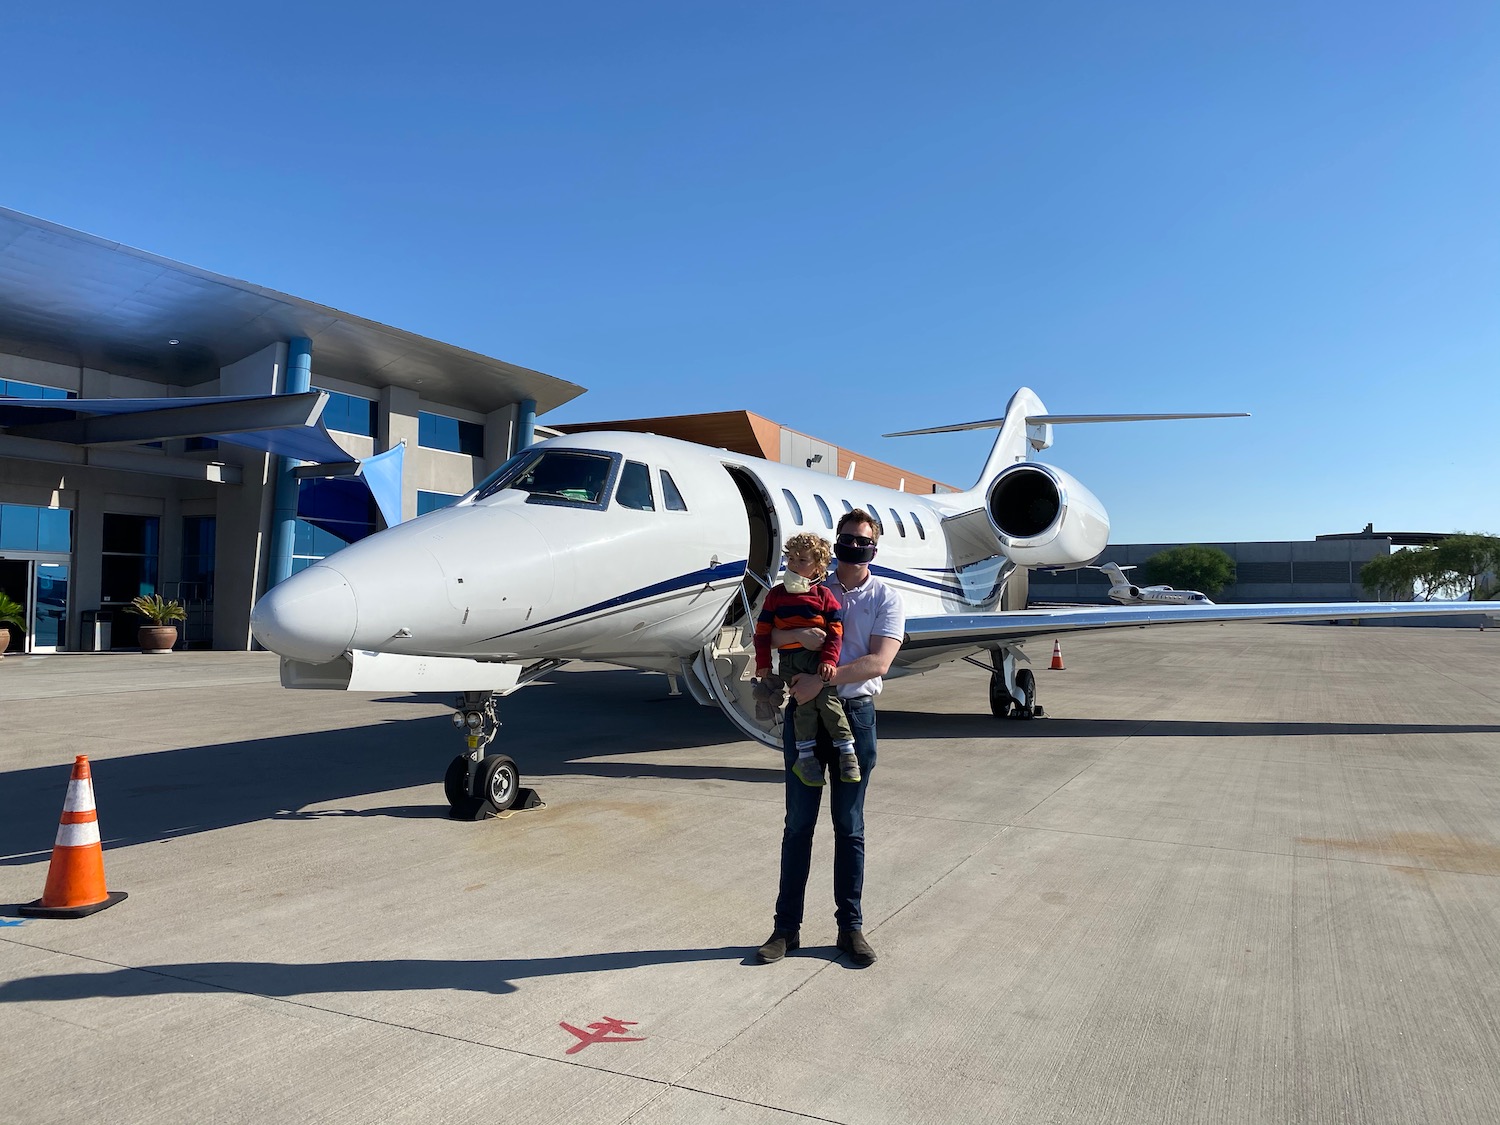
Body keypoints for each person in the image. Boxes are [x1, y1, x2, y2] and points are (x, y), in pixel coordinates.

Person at [756, 509, 904, 968]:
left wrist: (823, 678)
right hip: (804, 715)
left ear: (873, 548)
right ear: (834, 543)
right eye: (847, 538)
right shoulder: (808, 585)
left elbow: (879, 663)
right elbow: (768, 632)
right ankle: (786, 929)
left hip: (854, 717)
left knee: (849, 826)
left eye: (863, 541)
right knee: (798, 825)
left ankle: (850, 928)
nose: (854, 547)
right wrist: (800, 633)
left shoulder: (886, 597)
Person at [753, 533, 860, 787]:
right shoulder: (776, 595)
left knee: (827, 700)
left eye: (802, 560)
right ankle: (806, 758)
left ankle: (847, 751)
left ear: (818, 567)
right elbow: (763, 632)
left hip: (817, 660)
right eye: (790, 559)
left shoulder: (824, 596)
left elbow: (836, 631)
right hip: (791, 661)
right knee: (804, 707)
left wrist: (829, 660)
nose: (793, 565)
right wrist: (763, 663)